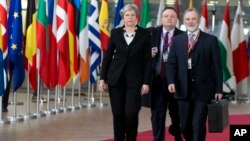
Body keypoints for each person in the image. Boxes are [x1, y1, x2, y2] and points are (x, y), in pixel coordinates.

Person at [166, 8, 223, 141]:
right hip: (182, 89)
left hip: (203, 91)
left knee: (198, 124)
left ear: (198, 21)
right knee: (184, 126)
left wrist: (219, 89)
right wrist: (171, 81)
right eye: (187, 19)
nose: (190, 22)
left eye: (193, 19)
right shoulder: (177, 40)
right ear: (184, 21)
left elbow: (217, 67)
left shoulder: (211, 40)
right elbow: (171, 64)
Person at [99, 4, 151, 141]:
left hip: (136, 81)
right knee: (118, 114)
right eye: (127, 15)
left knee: (131, 113)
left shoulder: (145, 34)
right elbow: (108, 56)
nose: (130, 18)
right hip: (116, 79)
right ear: (123, 17)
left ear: (137, 18)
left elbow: (147, 61)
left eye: (133, 15)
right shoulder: (115, 33)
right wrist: (102, 78)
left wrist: (146, 82)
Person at [150, 7, 183, 141]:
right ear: (161, 18)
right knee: (157, 114)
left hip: (177, 82)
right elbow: (139, 55)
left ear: (176, 19)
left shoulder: (183, 36)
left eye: (172, 16)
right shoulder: (151, 33)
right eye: (166, 16)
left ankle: (178, 136)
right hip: (157, 80)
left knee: (177, 114)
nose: (169, 18)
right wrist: (149, 54)